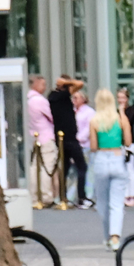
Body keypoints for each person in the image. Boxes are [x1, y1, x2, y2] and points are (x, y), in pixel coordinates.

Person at [89, 86, 134, 250]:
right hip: (117, 158)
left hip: (101, 159)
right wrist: (122, 114)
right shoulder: (120, 118)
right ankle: (115, 236)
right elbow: (128, 142)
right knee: (117, 202)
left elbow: (93, 146)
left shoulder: (94, 121)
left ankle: (107, 235)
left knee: (102, 202)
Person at [47, 75, 79, 209]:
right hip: (69, 136)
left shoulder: (53, 96)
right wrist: (67, 82)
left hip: (60, 135)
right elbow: (79, 84)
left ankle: (63, 195)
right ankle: (81, 197)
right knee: (81, 165)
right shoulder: (63, 95)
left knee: (64, 167)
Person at [25, 80, 58, 207]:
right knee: (46, 167)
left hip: (34, 136)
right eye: (43, 84)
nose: (45, 87)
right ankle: (46, 196)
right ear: (36, 84)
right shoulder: (40, 100)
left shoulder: (27, 99)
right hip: (46, 136)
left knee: (34, 168)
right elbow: (52, 116)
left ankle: (34, 196)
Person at [65, 85, 93, 209]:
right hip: (73, 144)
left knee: (83, 171)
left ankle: (85, 196)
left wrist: (77, 138)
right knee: (72, 172)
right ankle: (70, 197)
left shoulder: (89, 112)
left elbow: (88, 129)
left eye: (76, 98)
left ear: (83, 99)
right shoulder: (71, 111)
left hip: (83, 145)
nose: (74, 100)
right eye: (73, 98)